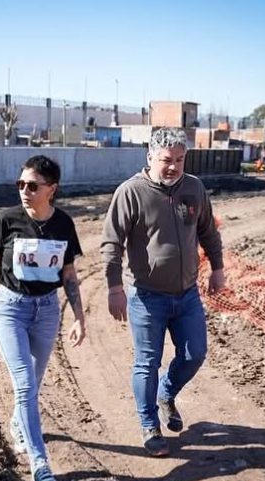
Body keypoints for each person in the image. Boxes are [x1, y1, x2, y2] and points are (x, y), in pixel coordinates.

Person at [101, 128, 225, 457]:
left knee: (194, 354)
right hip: (146, 296)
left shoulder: (194, 188)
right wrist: (115, 288)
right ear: (150, 157)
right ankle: (149, 426)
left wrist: (218, 269)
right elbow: (111, 246)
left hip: (186, 295)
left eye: (180, 160)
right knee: (147, 362)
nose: (173, 167)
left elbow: (209, 232)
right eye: (166, 160)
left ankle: (166, 394)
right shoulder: (130, 192)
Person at [0, 155, 85, 481]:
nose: (24, 190)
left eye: (32, 186)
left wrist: (79, 316)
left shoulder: (64, 224)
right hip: (10, 310)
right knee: (24, 385)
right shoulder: (6, 220)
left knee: (34, 381)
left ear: (52, 189)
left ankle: (19, 425)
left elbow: (68, 273)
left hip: (47, 311)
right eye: (20, 184)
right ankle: (39, 461)